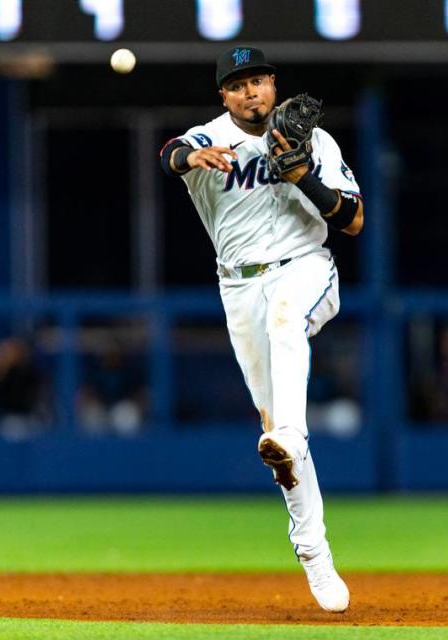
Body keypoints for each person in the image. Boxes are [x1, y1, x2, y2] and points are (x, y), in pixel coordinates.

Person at [159, 46, 362, 613]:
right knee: (276, 439)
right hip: (238, 286)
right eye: (238, 84)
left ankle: (292, 435)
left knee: (285, 320)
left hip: (306, 267)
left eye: (259, 81)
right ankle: (315, 555)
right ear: (224, 95)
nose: (251, 92)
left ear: (274, 84)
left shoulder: (315, 142)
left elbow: (353, 220)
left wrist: (305, 177)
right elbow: (170, 154)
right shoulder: (208, 138)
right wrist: (192, 161)